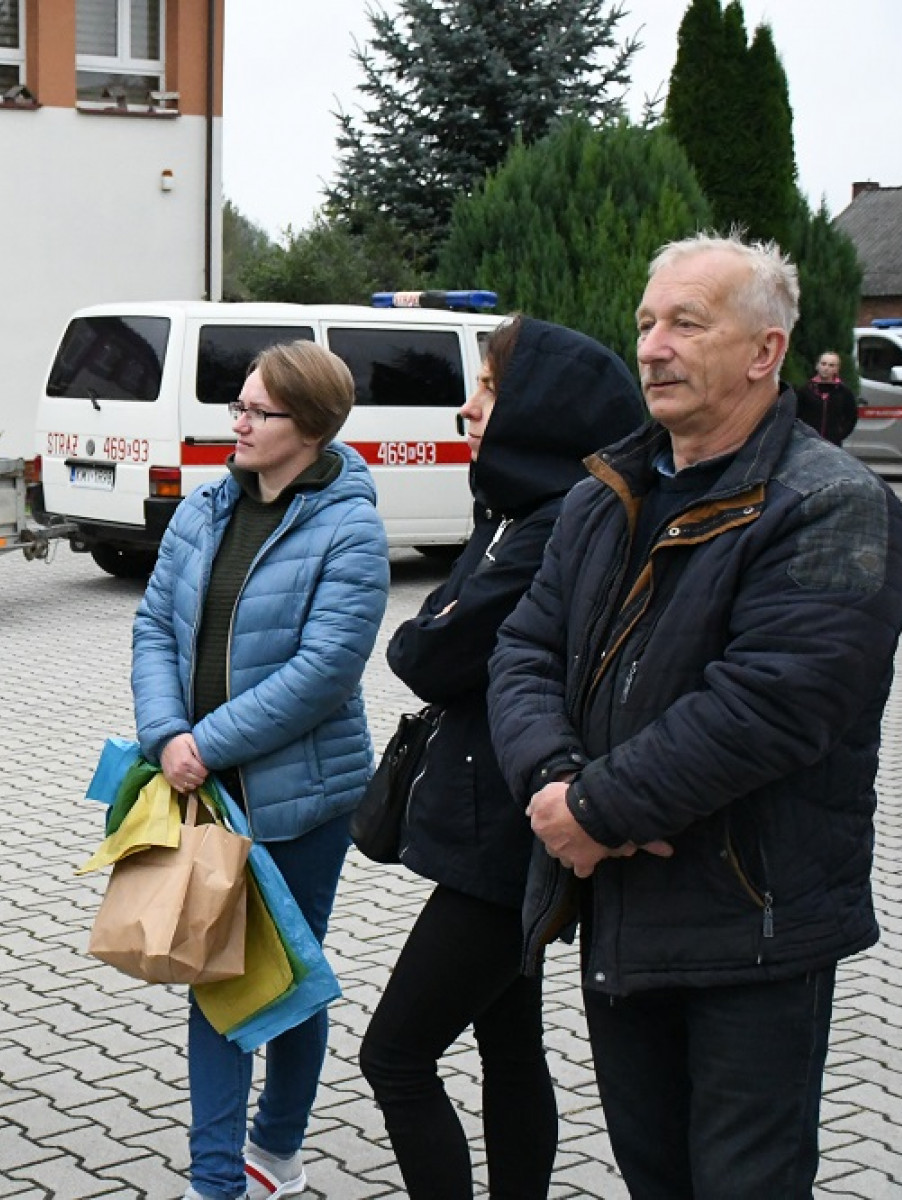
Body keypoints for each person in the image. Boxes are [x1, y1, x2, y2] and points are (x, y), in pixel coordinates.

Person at [488, 234, 902, 1197]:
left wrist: (595, 812)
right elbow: (522, 651)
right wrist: (555, 784)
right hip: (619, 908)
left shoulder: (833, 504)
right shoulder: (604, 496)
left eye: (687, 323)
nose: (652, 347)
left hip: (752, 925)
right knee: (655, 1176)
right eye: (646, 323)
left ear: (766, 351)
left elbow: (773, 703)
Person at [360, 317, 645, 1200]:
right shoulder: (518, 510)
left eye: (488, 387)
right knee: (508, 1040)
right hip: (498, 816)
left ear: (540, 406)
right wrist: (439, 622)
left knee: (394, 1054)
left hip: (510, 837)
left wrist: (436, 626)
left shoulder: (555, 523)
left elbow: (427, 653)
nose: (468, 406)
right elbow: (439, 632)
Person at [131, 341, 390, 1200]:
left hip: (300, 802)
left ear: (310, 428)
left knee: (287, 979)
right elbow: (154, 627)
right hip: (203, 792)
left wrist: (206, 743)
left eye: (257, 411)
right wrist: (167, 733)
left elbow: (325, 671)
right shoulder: (206, 507)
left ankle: (277, 1146)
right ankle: (217, 1181)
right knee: (216, 975)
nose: (237, 423)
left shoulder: (350, 527)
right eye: (237, 406)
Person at [796, 349, 859, 446]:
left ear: (837, 369)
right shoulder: (805, 390)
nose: (826, 368)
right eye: (823, 364)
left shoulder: (844, 392)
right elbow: (796, 416)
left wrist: (839, 434)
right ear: (817, 366)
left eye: (831, 365)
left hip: (832, 444)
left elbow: (851, 417)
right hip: (807, 443)